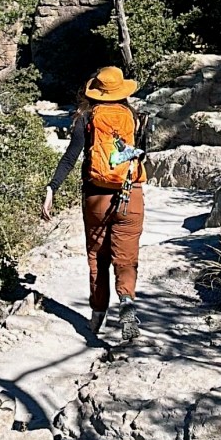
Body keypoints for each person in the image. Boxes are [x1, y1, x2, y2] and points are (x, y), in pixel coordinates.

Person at [41, 65, 146, 342]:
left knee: (98, 257)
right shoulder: (132, 117)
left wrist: (52, 188)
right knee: (126, 257)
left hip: (96, 196)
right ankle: (127, 303)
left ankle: (97, 315)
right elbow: (138, 156)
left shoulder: (85, 118)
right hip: (129, 194)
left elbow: (71, 156)